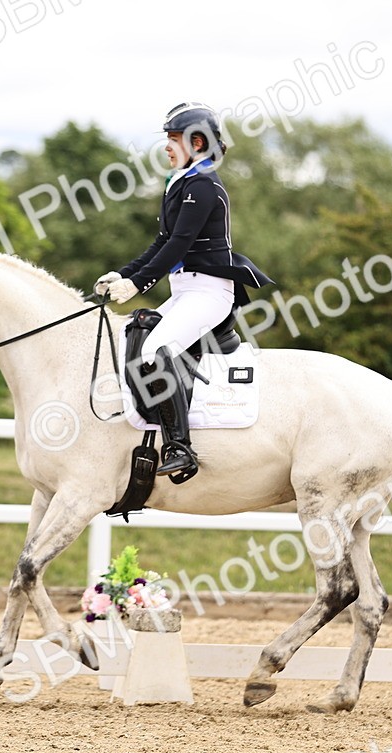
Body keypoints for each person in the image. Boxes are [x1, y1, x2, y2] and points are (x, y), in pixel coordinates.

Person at [94, 101, 272, 479]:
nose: (167, 147)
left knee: (159, 349)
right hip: (187, 290)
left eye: (174, 139)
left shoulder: (204, 185)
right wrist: (123, 273)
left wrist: (137, 283)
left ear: (197, 141)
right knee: (135, 335)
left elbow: (179, 244)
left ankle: (180, 448)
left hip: (210, 293)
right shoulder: (180, 183)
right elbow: (161, 242)